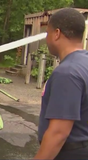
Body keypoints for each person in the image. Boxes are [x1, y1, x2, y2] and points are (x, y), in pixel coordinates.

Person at [34, 8, 88, 160]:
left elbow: (59, 133)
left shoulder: (67, 73)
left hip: (69, 154)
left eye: (48, 33)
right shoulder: (84, 63)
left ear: (56, 34)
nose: (47, 38)